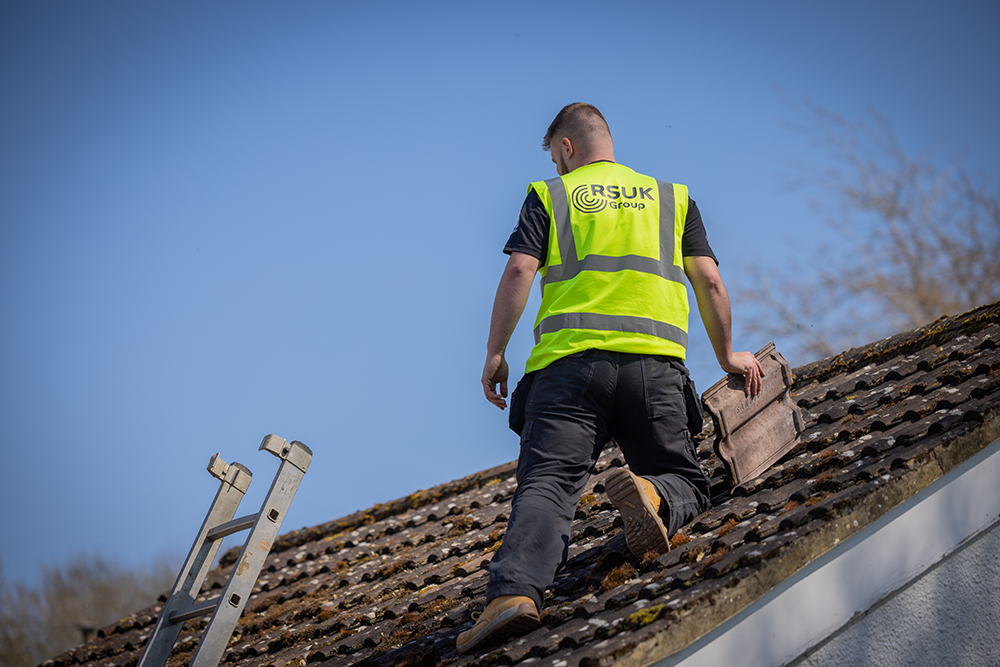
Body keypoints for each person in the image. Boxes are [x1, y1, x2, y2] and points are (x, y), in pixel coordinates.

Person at [457, 103, 764, 654]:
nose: (558, 167)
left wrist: (495, 352)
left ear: (566, 148)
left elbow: (520, 268)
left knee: (549, 483)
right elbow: (711, 281)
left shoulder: (551, 194)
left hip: (567, 372)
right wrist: (727, 355)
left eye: (556, 158)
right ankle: (653, 492)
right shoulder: (672, 198)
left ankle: (514, 596)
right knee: (685, 478)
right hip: (654, 371)